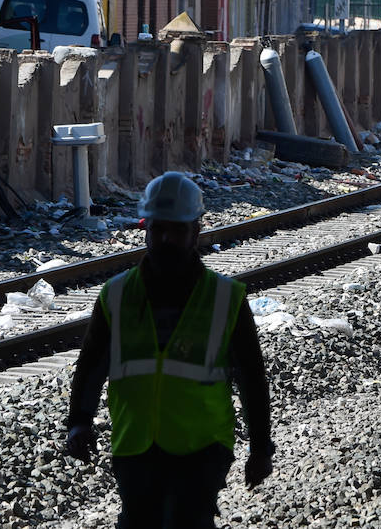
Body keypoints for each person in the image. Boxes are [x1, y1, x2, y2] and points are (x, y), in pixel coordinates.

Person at [64, 172, 274, 528]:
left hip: (202, 447)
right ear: (145, 229)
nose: (166, 239)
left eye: (177, 230)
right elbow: (92, 364)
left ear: (196, 232)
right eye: (158, 229)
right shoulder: (116, 294)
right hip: (135, 443)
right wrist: (79, 422)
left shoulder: (225, 298)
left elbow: (252, 377)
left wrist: (260, 448)